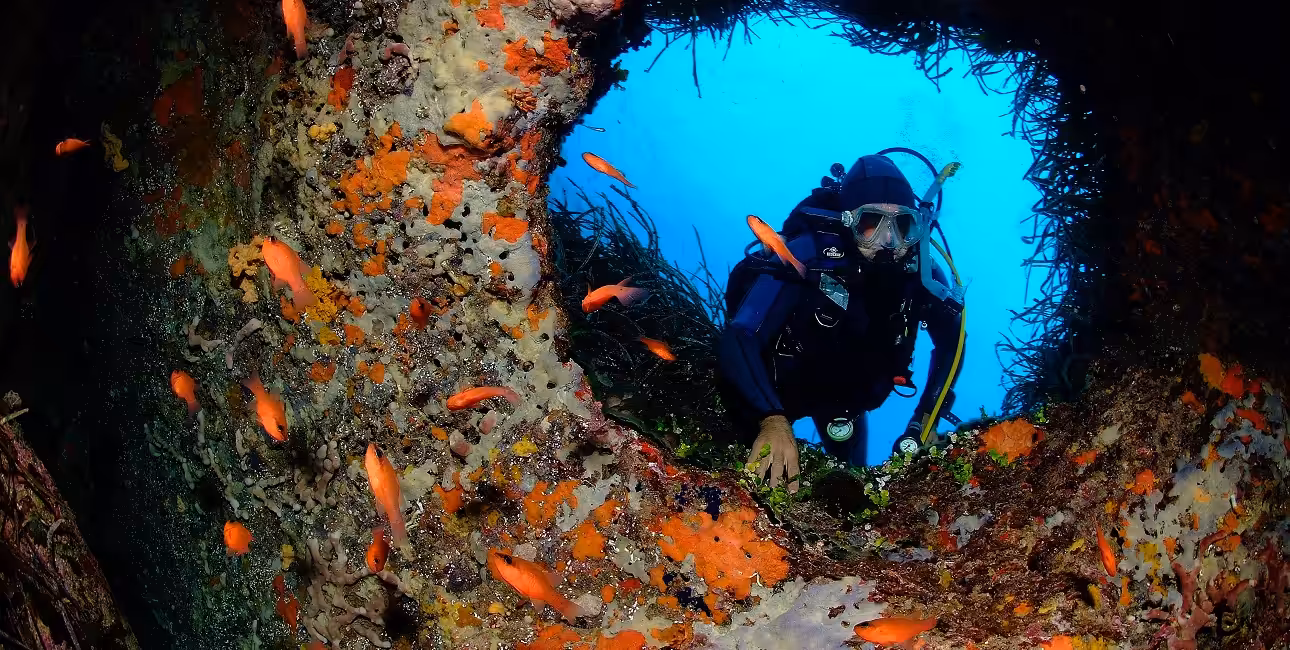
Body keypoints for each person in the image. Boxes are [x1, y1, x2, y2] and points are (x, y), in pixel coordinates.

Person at [718, 152, 966, 491]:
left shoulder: (922, 275)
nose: (889, 242)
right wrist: (771, 420)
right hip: (777, 394)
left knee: (849, 487)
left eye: (903, 225)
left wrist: (922, 425)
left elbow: (952, 343)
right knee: (740, 482)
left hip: (849, 404)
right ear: (848, 221)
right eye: (871, 223)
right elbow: (741, 335)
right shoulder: (806, 255)